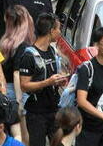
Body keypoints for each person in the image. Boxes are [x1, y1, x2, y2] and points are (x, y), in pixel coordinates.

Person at [16, 13, 66, 146]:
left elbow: (52, 78)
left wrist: (59, 81)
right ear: (51, 31)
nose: (60, 32)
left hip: (54, 109)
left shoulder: (52, 50)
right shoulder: (29, 55)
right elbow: (24, 86)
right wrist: (48, 82)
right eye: (58, 29)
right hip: (36, 113)